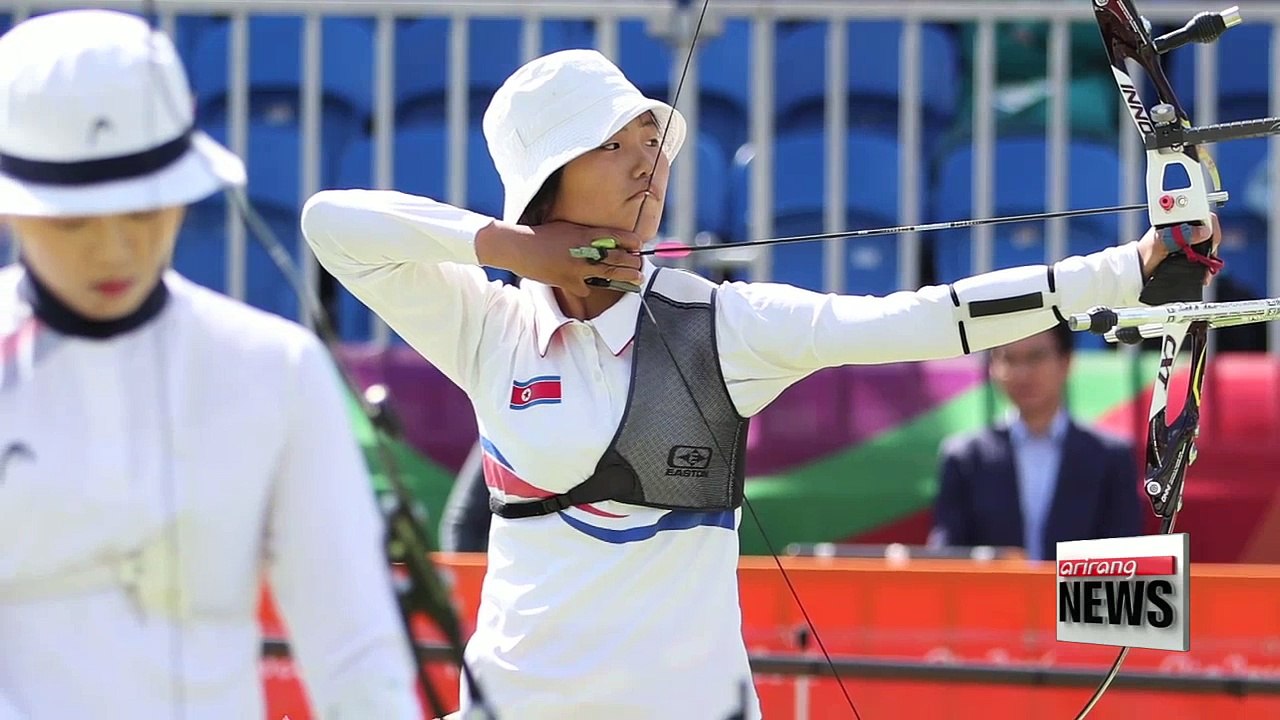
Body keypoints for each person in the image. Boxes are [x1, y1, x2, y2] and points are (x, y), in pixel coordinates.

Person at [301, 48, 1219, 720]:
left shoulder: (721, 325)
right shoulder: (488, 326)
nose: (648, 161)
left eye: (650, 138)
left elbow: (919, 317)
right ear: (547, 182)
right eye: (612, 145)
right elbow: (329, 223)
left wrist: (1132, 267)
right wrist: (515, 250)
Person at [0, 11, 421, 719]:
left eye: (144, 211)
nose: (115, 249)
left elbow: (356, 651)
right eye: (73, 220)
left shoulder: (276, 370)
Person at [928, 321, 1144, 561]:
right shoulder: (965, 457)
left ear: (1066, 362)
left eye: (1036, 357)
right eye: (1009, 359)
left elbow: (1124, 557)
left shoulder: (1110, 456)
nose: (1022, 373)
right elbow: (947, 554)